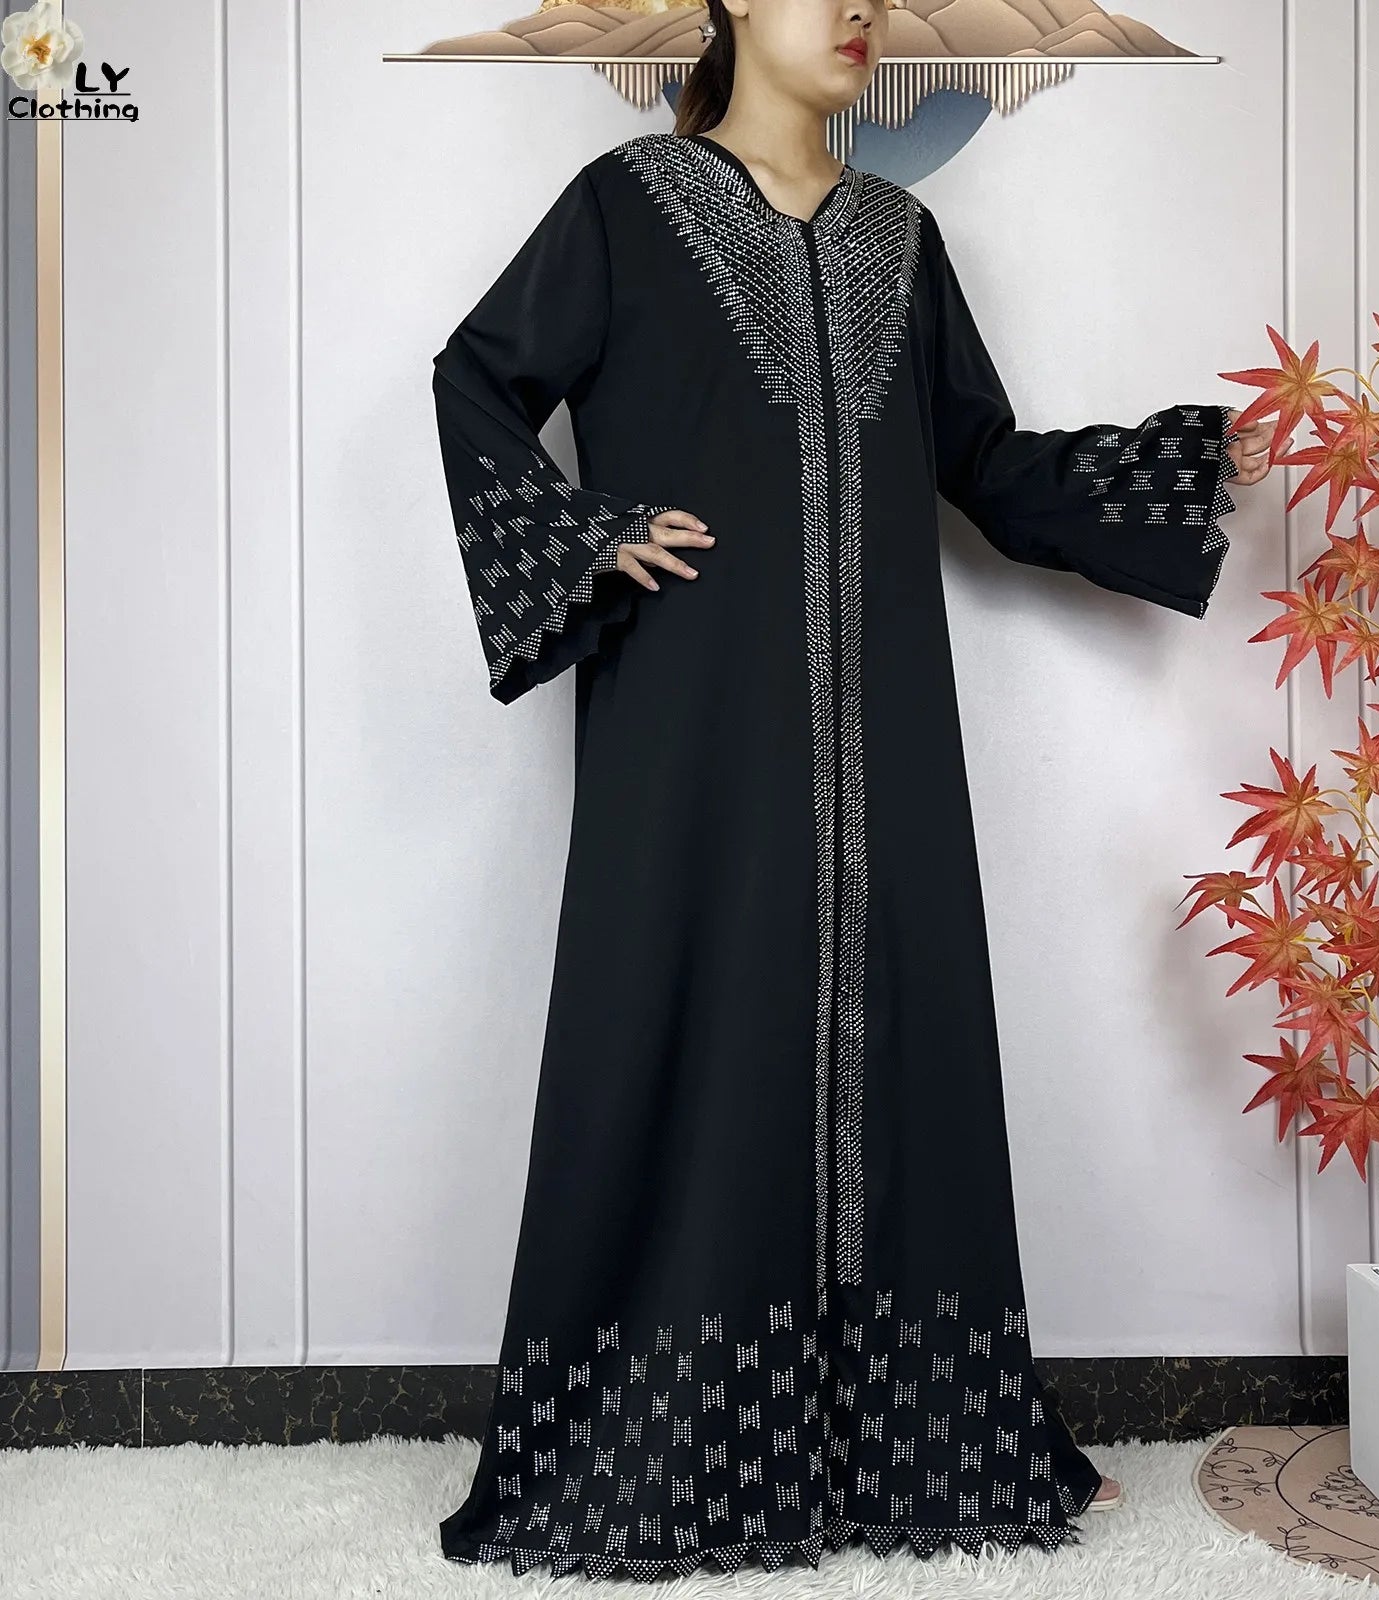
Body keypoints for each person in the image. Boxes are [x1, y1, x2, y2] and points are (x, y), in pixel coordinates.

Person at [429, 0, 1273, 1580]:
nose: (862, 9)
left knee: (901, 1038)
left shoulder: (902, 236)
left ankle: (921, 1439)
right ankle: (666, 1443)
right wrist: (588, 537)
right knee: (682, 1029)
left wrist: (1193, 459)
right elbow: (475, 378)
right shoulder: (624, 209)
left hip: (886, 750)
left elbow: (986, 463)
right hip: (689, 732)